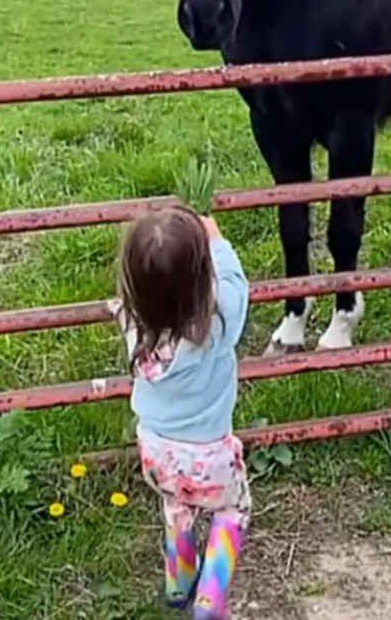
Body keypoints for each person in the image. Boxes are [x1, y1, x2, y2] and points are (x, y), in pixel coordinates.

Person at [111, 206, 251, 620]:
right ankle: (209, 600)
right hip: (210, 453)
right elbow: (235, 284)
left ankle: (178, 582)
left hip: (155, 449)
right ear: (200, 275)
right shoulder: (219, 319)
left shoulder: (132, 320)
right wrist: (217, 240)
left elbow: (143, 290)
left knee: (176, 506)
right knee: (231, 511)